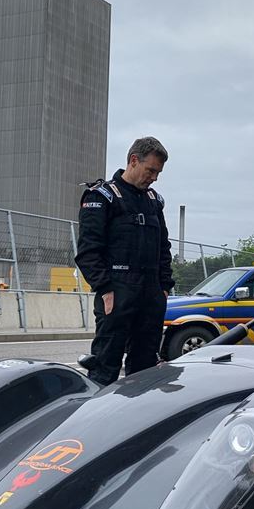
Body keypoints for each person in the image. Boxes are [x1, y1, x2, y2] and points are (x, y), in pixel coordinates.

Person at [75, 136, 175, 386]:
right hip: (118, 292)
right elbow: (88, 251)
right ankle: (95, 419)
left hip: (151, 293)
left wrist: (164, 287)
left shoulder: (154, 201)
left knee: (145, 370)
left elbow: (164, 247)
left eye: (158, 172)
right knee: (105, 367)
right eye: (151, 170)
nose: (154, 177)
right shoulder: (101, 197)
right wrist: (105, 289)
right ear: (133, 161)